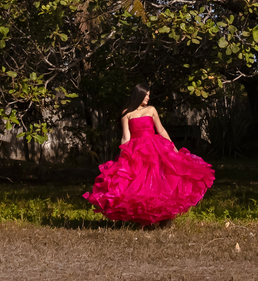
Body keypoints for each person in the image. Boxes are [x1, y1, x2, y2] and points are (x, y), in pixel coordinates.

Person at [83, 84, 214, 226]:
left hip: (154, 147)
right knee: (140, 184)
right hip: (136, 150)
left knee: (161, 180)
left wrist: (174, 149)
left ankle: (165, 218)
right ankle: (143, 218)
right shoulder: (127, 114)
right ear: (138, 95)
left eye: (148, 95)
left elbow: (161, 130)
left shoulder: (151, 110)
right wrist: (122, 156)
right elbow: (126, 137)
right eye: (146, 95)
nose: (148, 98)